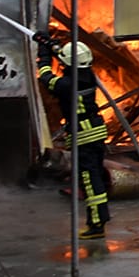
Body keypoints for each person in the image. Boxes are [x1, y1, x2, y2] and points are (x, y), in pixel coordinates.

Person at [39, 37, 112, 239]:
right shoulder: (88, 75)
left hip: (84, 136)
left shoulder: (65, 85)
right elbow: (71, 63)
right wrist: (52, 46)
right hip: (96, 132)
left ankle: (97, 224)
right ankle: (99, 220)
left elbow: (45, 77)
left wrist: (44, 54)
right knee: (95, 176)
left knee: (90, 181)